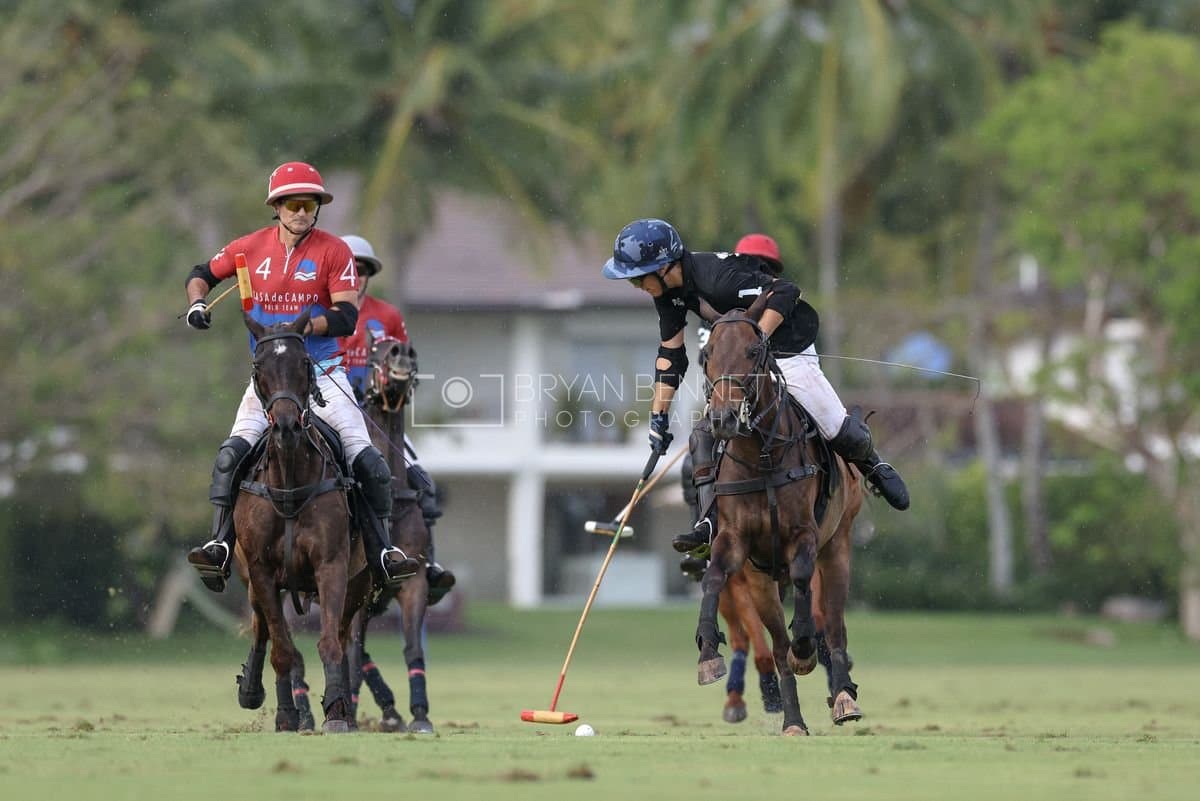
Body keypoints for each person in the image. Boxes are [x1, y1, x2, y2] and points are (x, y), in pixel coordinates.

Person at [601, 218, 909, 566]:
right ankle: (708, 524)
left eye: (639, 277)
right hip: (739, 365)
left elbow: (786, 291)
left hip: (788, 348)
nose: (636, 285)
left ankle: (873, 466)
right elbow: (671, 357)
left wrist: (756, 340)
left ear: (665, 266)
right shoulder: (669, 294)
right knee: (707, 436)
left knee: (834, 424)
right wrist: (658, 416)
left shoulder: (718, 278)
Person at [183, 161, 420, 593]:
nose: (302, 212)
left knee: (368, 461)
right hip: (270, 382)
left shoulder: (334, 252)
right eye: (293, 204)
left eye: (310, 204)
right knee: (230, 455)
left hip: (324, 374)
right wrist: (198, 305)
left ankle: (383, 551)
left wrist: (306, 328)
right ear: (277, 207)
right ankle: (219, 544)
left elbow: (347, 315)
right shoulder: (247, 249)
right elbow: (201, 275)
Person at [337, 234, 456, 605]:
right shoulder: (325, 315)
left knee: (420, 478)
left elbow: (408, 368)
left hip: (379, 420)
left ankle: (429, 564)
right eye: (347, 269)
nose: (354, 276)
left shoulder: (386, 316)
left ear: (368, 274)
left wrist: (399, 384)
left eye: (360, 270)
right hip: (334, 416)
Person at [678, 233, 786, 580]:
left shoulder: (778, 300)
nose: (758, 273)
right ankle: (704, 535)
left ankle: (870, 468)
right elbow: (705, 360)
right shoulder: (716, 317)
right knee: (690, 462)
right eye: (753, 266)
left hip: (780, 391)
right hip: (732, 402)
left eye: (764, 268)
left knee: (826, 426)